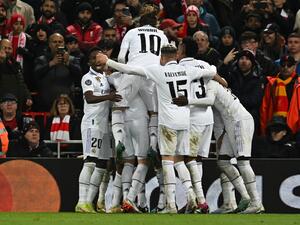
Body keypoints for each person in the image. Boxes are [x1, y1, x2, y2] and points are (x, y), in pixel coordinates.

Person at [97, 44, 217, 213]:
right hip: (185, 120)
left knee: (167, 161)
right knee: (180, 161)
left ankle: (171, 205)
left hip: (168, 121)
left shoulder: (158, 70)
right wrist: (211, 66)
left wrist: (108, 61)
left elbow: (130, 70)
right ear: (175, 56)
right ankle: (192, 196)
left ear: (161, 58)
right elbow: (211, 72)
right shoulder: (187, 70)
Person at [172, 79, 264, 214]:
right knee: (223, 162)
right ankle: (245, 197)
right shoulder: (206, 87)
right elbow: (217, 115)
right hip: (230, 124)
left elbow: (209, 101)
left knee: (243, 163)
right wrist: (220, 137)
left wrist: (188, 101)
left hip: (239, 121)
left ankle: (256, 203)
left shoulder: (211, 85)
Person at [111, 12, 169, 213]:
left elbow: (120, 56)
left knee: (119, 104)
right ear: (156, 23)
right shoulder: (161, 34)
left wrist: (123, 72)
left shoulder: (132, 32)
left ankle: (118, 139)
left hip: (133, 70)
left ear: (139, 22)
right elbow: (166, 58)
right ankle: (154, 143)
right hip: (153, 74)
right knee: (154, 111)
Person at [75, 47, 122, 213]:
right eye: (95, 57)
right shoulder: (87, 78)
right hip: (91, 124)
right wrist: (108, 96)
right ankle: (81, 201)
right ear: (90, 62)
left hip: (103, 126)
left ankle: (89, 202)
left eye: (101, 57)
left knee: (102, 164)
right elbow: (89, 98)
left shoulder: (105, 78)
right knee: (90, 162)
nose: (99, 60)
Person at [176, 36, 213, 213]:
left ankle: (199, 200)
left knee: (187, 159)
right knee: (198, 159)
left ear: (182, 50)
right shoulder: (205, 65)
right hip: (208, 117)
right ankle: (198, 202)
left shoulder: (179, 68)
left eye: (178, 47)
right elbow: (215, 74)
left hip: (192, 116)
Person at [33, 33, 81, 111]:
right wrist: (51, 64)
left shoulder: (72, 59)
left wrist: (68, 64)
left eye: (60, 42)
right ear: (49, 44)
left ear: (64, 44)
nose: (57, 44)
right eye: (54, 42)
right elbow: (36, 75)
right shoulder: (41, 60)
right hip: (46, 104)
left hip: (66, 104)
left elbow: (79, 75)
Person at [0, 38, 32, 111]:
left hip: (16, 105)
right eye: (4, 48)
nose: (7, 51)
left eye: (9, 48)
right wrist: (2, 61)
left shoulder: (16, 64)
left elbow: (21, 82)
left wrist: (27, 96)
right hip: (3, 104)